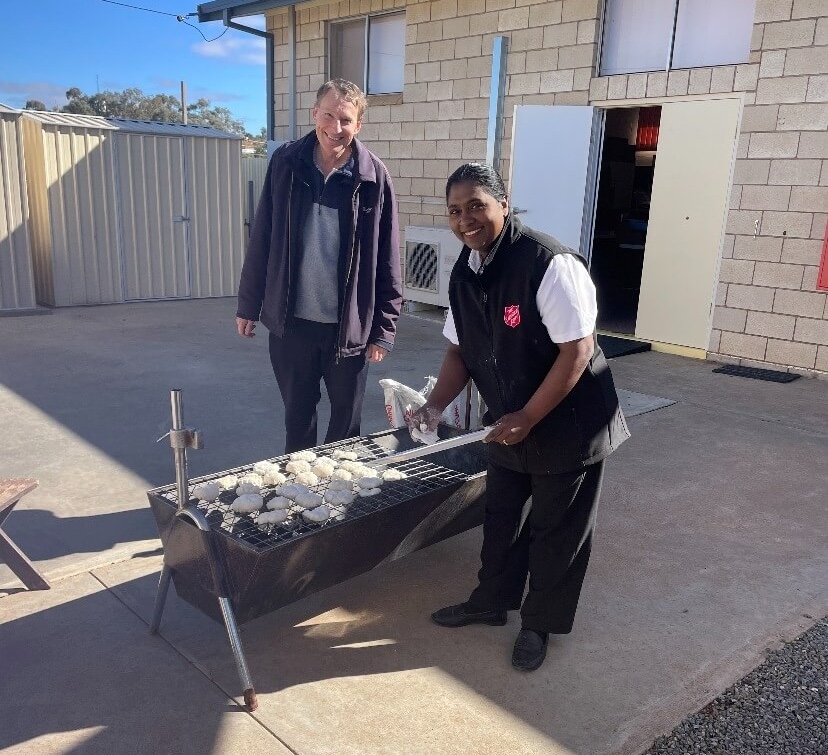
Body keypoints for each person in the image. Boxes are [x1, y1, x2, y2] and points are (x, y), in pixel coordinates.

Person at [409, 163, 629, 672]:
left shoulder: (548, 263)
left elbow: (577, 351)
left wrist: (530, 415)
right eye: (455, 211)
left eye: (476, 206)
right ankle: (490, 602)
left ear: (504, 206)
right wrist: (436, 403)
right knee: (501, 515)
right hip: (510, 418)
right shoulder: (466, 271)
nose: (466, 219)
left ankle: (538, 623)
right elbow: (459, 351)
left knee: (557, 528)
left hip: (571, 418)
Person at [236, 79, 402, 453]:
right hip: (291, 324)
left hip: (349, 330)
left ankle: (339, 502)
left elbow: (388, 258)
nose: (335, 128)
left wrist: (383, 329)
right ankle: (298, 494)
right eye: (328, 116)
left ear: (358, 125)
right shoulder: (286, 163)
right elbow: (263, 234)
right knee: (298, 418)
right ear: (315, 114)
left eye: (346, 120)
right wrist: (250, 303)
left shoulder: (374, 177)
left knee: (345, 425)